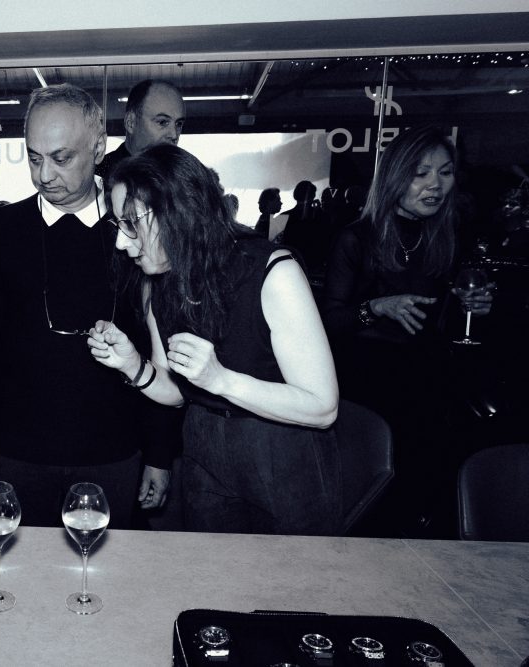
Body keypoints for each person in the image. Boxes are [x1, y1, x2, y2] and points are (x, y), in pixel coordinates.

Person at [88, 144, 341, 535]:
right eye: (118, 224)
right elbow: (177, 391)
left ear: (178, 213)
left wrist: (222, 380)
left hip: (283, 449)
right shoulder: (157, 282)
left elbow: (323, 407)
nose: (121, 242)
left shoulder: (273, 273)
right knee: (214, 569)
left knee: (294, 572)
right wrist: (134, 366)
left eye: (131, 223)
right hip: (203, 443)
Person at [0, 84, 173, 528]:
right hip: (19, 452)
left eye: (61, 158)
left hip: (115, 451)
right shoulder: (2, 230)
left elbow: (160, 351)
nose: (44, 175)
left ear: (98, 148)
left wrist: (159, 452)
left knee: (107, 568)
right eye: (34, 158)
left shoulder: (135, 228)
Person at [320, 124, 492, 535]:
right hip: (367, 389)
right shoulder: (356, 239)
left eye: (445, 172)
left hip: (427, 384)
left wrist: (473, 307)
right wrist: (376, 308)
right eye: (421, 173)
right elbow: (330, 322)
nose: (436, 185)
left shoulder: (447, 238)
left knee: (422, 499)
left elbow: (441, 322)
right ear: (396, 176)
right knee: (372, 504)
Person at [95, 79, 185, 182]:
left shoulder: (184, 176)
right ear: (131, 123)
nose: (174, 134)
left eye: (179, 124)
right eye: (162, 122)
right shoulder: (98, 177)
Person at [281, 179, 331, 277]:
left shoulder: (282, 216)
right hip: (314, 266)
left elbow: (275, 244)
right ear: (313, 196)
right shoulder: (321, 216)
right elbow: (326, 242)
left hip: (289, 265)